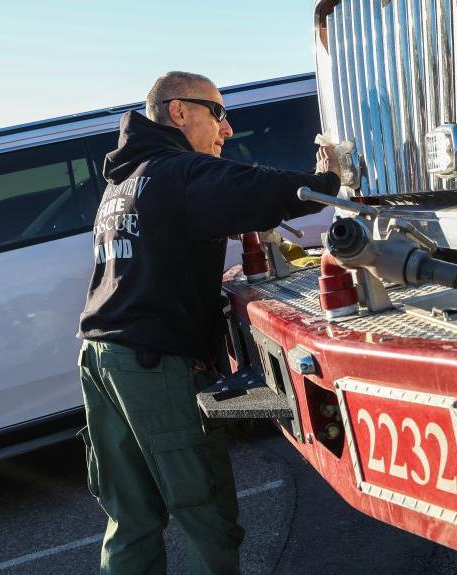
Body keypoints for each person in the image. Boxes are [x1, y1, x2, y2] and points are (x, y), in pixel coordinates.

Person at [76, 71, 340, 574]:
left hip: (99, 357)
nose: (227, 128)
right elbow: (256, 189)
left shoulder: (125, 182)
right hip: (152, 363)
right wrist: (325, 181)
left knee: (131, 520)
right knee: (206, 515)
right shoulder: (176, 171)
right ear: (179, 112)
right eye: (217, 112)